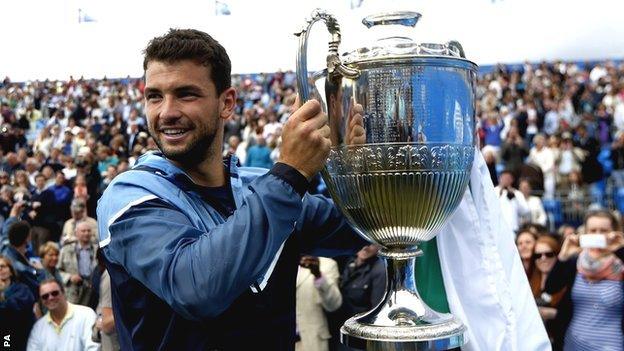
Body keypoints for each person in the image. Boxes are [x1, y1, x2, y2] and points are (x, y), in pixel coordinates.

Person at [96, 29, 367, 350]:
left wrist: (347, 170)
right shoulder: (129, 196)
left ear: (226, 103)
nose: (166, 111)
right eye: (154, 96)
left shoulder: (259, 185)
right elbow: (195, 288)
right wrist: (292, 173)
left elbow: (360, 229)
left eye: (186, 94)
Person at [544, 210, 624, 350]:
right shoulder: (576, 262)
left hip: (611, 346)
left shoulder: (621, 264)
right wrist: (563, 256)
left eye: (604, 230)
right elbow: (550, 287)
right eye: (593, 230)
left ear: (614, 232)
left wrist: (621, 250)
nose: (598, 235)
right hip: (573, 344)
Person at [26, 279, 99, 351]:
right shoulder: (38, 327)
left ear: (64, 292)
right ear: (41, 301)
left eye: (54, 293)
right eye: (45, 296)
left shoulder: (86, 314)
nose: (50, 298)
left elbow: (94, 347)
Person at [295, 256, 341, 351]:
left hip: (311, 341)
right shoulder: (279, 258)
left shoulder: (327, 264)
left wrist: (318, 276)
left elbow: (333, 305)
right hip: (279, 338)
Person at [531, 235, 564, 341]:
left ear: (557, 255)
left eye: (549, 254)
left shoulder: (567, 281)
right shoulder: (530, 281)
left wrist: (554, 314)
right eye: (538, 255)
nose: (543, 258)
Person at [0, 255, 36, 351]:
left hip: (22, 337)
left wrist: (3, 294)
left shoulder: (23, 289)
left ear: (11, 271)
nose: (0, 270)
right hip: (5, 336)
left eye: (2, 266)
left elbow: (16, 309)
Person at [57, 222, 98, 306]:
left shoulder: (97, 249)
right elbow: (56, 271)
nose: (86, 233)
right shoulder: (66, 250)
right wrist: (69, 277)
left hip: (93, 290)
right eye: (83, 231)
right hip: (72, 291)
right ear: (76, 233)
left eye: (88, 231)